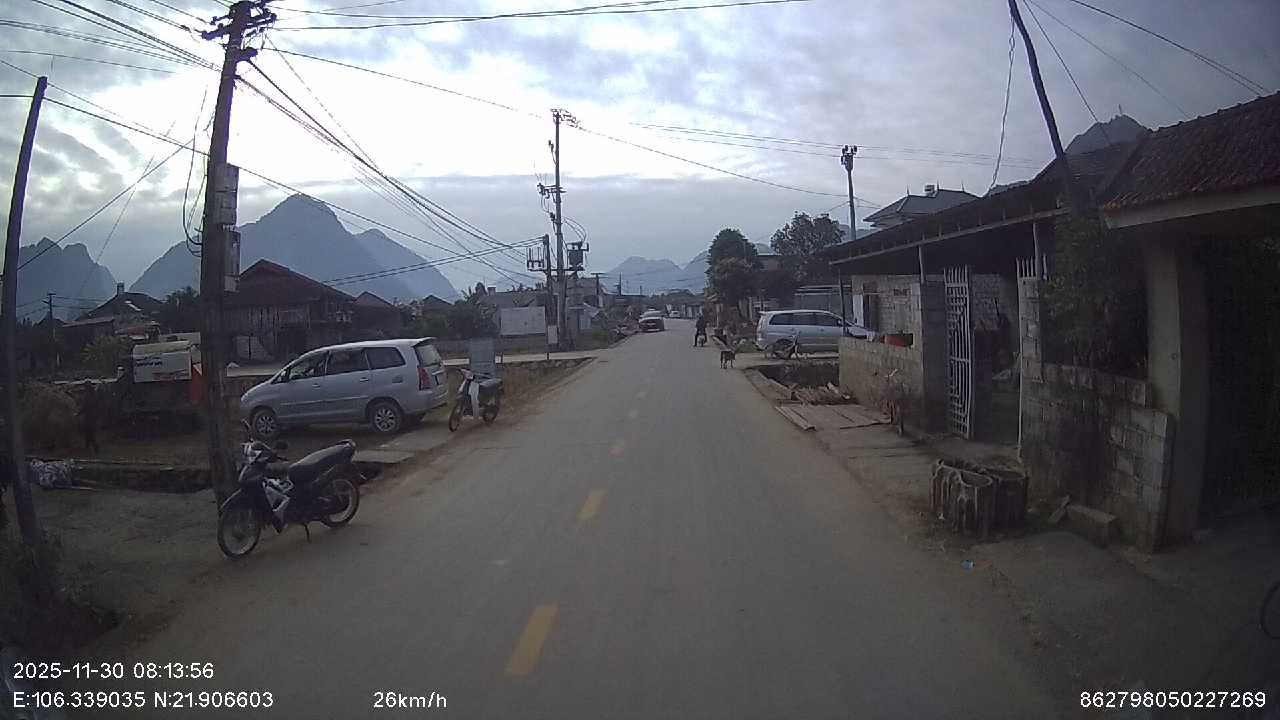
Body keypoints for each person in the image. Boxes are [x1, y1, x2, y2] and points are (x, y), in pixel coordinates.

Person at [78, 381, 101, 454]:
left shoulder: (87, 396)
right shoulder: (94, 394)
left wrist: (77, 414)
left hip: (89, 417)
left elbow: (84, 407)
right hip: (94, 416)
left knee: (89, 433)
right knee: (89, 433)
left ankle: (94, 448)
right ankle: (88, 447)